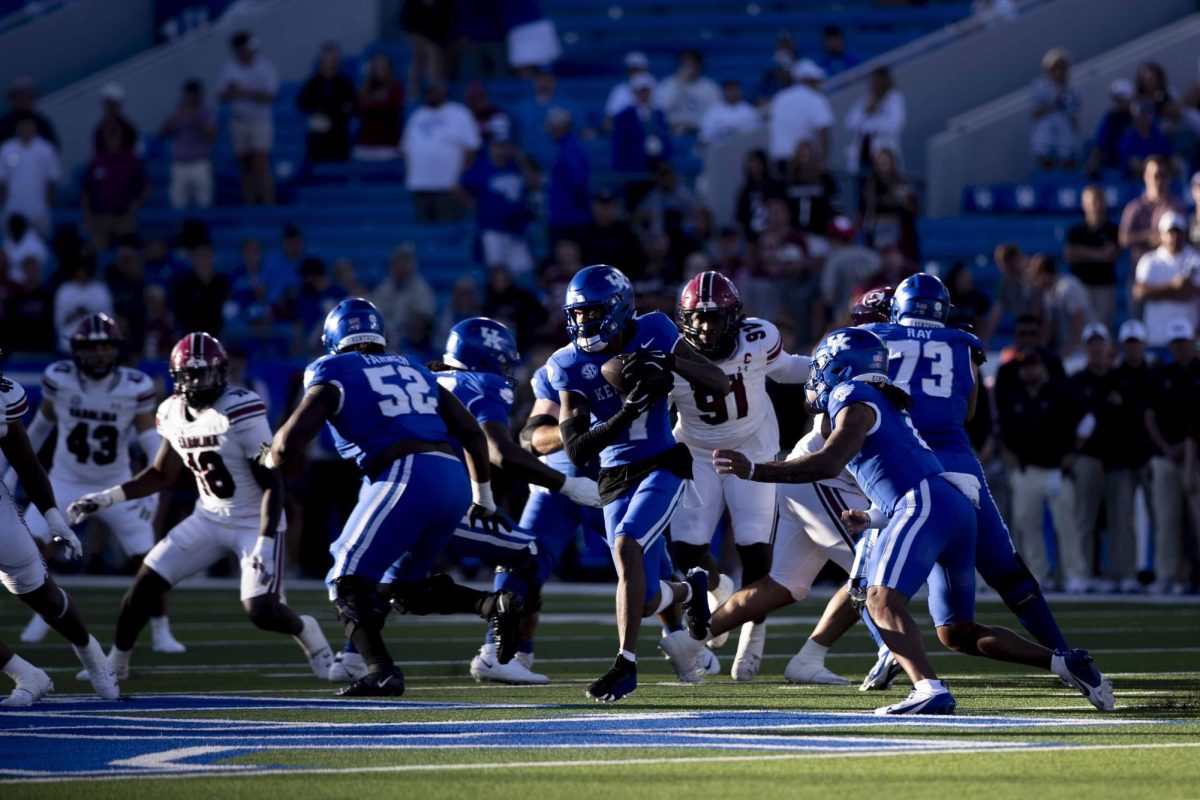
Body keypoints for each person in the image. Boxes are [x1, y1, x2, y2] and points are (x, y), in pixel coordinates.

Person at [714, 326, 1114, 714]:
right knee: (956, 633)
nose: (817, 376)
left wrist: (755, 471)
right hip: (949, 507)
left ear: (841, 367)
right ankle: (1064, 663)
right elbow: (899, 468)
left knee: (878, 599)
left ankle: (928, 689)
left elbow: (830, 460)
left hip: (922, 505)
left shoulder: (852, 393)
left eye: (823, 366)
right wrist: (872, 516)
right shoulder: (885, 399)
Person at [265, 298, 522, 695]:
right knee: (402, 587)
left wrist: (267, 457)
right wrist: (483, 496)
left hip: (403, 473)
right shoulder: (414, 367)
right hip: (452, 477)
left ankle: (380, 670)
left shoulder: (332, 368)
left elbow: (288, 444)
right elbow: (471, 433)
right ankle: (492, 605)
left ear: (334, 337)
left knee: (345, 576)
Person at [67, 332, 333, 683]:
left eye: (205, 372)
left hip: (254, 520)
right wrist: (107, 497)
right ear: (178, 377)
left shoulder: (240, 409)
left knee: (262, 611)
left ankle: (307, 630)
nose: (198, 381)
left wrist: (265, 543)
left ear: (221, 372)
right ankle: (116, 665)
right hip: (208, 516)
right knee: (143, 586)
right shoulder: (171, 412)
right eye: (191, 374)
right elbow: (161, 474)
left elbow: (272, 483)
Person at [866, 275, 1086, 654]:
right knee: (1004, 566)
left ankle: (893, 656)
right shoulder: (962, 344)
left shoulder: (875, 335)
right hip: (956, 458)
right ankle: (1064, 653)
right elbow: (968, 411)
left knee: (875, 570)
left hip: (900, 458)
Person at [550, 265, 729, 701]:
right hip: (613, 475)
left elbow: (719, 381)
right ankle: (693, 589)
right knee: (645, 599)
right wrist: (627, 411)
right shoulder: (567, 364)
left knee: (627, 542)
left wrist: (667, 361)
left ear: (618, 308)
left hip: (661, 462)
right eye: (577, 314)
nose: (584, 323)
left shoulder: (653, 329)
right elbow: (577, 450)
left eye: (592, 312)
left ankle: (625, 665)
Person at [423, 320, 602, 684]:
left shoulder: (427, 377)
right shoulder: (481, 383)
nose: (507, 369)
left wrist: (483, 494)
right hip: (439, 495)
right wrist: (566, 484)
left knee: (388, 582)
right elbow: (501, 452)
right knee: (523, 553)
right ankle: (499, 651)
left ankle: (354, 657)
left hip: (386, 488)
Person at [1, 315, 182, 652]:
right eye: (91, 347)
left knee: (148, 564)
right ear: (77, 351)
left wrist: (158, 477)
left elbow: (147, 438)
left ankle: (161, 629)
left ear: (117, 349)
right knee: (32, 550)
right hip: (64, 481)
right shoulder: (61, 380)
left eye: (105, 346)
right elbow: (36, 433)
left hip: (115, 485)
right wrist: (9, 478)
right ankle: (44, 617)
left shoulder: (134, 386)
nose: (99, 353)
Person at [668, 272, 814, 680]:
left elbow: (785, 369)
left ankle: (753, 635)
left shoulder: (758, 337)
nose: (705, 326)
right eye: (697, 317)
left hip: (752, 445)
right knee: (687, 551)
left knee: (754, 549)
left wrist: (831, 368)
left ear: (735, 317)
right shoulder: (670, 352)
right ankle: (719, 589)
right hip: (696, 451)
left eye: (715, 317)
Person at [0, 360, 119, 705]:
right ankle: (27, 674)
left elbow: (25, 461)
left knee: (43, 597)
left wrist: (52, 515)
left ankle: (91, 653)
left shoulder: (4, 397)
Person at [996, 346, 1092, 588]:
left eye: (1034, 366)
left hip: (1057, 471)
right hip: (1026, 471)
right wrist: (1007, 454)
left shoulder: (1060, 394)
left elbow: (1088, 421)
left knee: (1068, 525)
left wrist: (1074, 452)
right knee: (1028, 525)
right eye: (1026, 367)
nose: (1030, 371)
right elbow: (1001, 430)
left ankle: (1075, 575)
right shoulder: (1013, 397)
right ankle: (1038, 575)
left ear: (1042, 368)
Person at [1144, 318, 1200, 594]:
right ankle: (1169, 576)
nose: (1180, 347)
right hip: (1166, 456)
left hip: (1196, 457)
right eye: (1176, 343)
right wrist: (1165, 446)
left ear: (1192, 341)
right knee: (1167, 520)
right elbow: (1150, 414)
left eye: (1184, 342)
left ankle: (1191, 576)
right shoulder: (1162, 373)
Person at [458, 117, 535, 275]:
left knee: (523, 271)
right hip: (492, 228)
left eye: (505, 146)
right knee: (496, 271)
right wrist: (475, 206)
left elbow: (534, 184)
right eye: (498, 146)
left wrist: (520, 158)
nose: (502, 150)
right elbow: (458, 186)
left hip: (516, 230)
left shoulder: (516, 166)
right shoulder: (482, 168)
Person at [1110, 320, 1154, 593]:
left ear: (1143, 344)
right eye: (1129, 344)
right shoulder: (1115, 375)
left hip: (1149, 454)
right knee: (1122, 518)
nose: (1133, 348)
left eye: (1136, 343)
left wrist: (1126, 405)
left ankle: (1161, 572)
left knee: (1159, 517)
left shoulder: (1155, 373)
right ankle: (1126, 573)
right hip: (1123, 455)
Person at [401, 83, 481, 223]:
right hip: (420, 184)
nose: (431, 95)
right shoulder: (418, 115)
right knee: (424, 231)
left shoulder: (459, 113)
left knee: (448, 227)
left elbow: (471, 148)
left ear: (444, 93)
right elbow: (406, 148)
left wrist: (462, 177)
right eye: (429, 92)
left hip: (449, 185)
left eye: (435, 92)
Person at [217, 32, 279, 205]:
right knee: (245, 164)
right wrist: (234, 92)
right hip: (239, 120)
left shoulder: (265, 68)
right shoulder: (229, 69)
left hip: (260, 120)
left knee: (261, 162)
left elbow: (271, 96)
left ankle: (268, 202)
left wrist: (245, 92)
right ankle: (250, 202)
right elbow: (221, 95)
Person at [1132, 211, 1200, 348]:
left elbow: (1189, 293)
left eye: (1178, 232)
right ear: (1161, 235)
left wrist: (1157, 293)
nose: (1174, 237)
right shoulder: (1149, 260)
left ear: (1184, 233)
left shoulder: (1195, 259)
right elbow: (1140, 293)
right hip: (1156, 337)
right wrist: (1173, 286)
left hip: (1187, 339)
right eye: (1170, 233)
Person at [82, 124, 150, 251]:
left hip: (123, 216)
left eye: (116, 136)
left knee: (128, 250)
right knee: (98, 250)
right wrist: (88, 214)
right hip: (100, 217)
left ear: (121, 138)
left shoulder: (131, 160)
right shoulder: (97, 161)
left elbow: (146, 184)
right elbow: (86, 190)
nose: (113, 140)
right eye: (110, 136)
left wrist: (138, 202)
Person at [1064, 185, 1120, 327]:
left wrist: (1082, 252)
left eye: (1099, 201)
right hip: (1080, 285)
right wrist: (1098, 254)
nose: (1097, 206)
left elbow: (1111, 255)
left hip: (1103, 287)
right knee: (1079, 326)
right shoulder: (1076, 231)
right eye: (1092, 201)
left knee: (1101, 327)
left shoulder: (1112, 229)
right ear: (1084, 204)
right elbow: (1069, 254)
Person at [0, 114, 60, 237]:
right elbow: (2, 180)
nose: (25, 128)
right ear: (17, 128)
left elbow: (52, 180)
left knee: (41, 246)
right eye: (22, 125)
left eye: (28, 125)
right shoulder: (6, 149)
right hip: (13, 209)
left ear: (34, 127)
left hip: (39, 211)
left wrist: (49, 204)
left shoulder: (46, 149)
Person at [1119, 155, 1184, 271]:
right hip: (1140, 274)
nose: (1157, 180)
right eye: (1154, 175)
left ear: (1169, 178)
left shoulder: (1176, 207)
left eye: (1162, 176)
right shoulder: (1134, 207)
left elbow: (1185, 237)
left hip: (1171, 273)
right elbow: (1123, 238)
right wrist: (1147, 236)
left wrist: (1166, 238)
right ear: (1145, 177)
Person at [161, 79, 217, 210]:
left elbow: (211, 136)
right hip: (179, 165)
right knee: (178, 205)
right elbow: (163, 133)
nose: (192, 98)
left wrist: (196, 119)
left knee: (204, 204)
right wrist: (175, 116)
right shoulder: (177, 113)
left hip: (200, 164)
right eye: (189, 94)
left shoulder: (207, 114)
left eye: (195, 94)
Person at [297, 42, 357, 164]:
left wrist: (337, 113)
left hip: (338, 137)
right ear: (320, 60)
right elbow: (302, 103)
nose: (329, 63)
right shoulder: (312, 82)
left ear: (337, 60)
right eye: (326, 59)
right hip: (317, 139)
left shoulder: (345, 83)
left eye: (333, 59)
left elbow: (354, 107)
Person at [369, 244, 436, 351]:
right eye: (398, 263)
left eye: (405, 263)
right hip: (386, 336)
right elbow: (374, 311)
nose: (401, 267)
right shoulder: (384, 287)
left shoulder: (421, 288)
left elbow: (423, 319)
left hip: (410, 339)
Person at [767, 60, 833, 167]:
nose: (818, 85)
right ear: (808, 81)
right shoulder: (816, 99)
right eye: (816, 81)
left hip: (779, 160)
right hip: (803, 162)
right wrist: (823, 160)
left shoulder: (779, 98)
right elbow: (823, 129)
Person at [860, 148, 919, 263]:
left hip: (900, 237)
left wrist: (903, 200)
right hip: (877, 236)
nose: (883, 168)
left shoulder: (903, 185)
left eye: (886, 163)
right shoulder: (870, 188)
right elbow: (865, 214)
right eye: (880, 164)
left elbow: (912, 210)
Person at [844, 67, 905, 177]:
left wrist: (872, 122)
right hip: (863, 156)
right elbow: (850, 123)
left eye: (877, 80)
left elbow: (894, 126)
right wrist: (866, 112)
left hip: (885, 157)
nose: (873, 83)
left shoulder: (894, 99)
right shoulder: (865, 100)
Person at [1030, 253, 1093, 358]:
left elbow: (1078, 323)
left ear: (1044, 274)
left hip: (1081, 351)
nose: (1035, 283)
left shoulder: (1068, 287)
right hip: (1069, 349)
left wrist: (1069, 350)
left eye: (1036, 277)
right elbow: (1049, 326)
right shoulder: (1048, 293)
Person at [545, 107, 591, 246]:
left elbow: (578, 182)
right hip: (565, 216)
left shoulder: (570, 149)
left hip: (569, 218)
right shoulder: (566, 147)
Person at [611, 74, 672, 174]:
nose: (643, 95)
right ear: (634, 93)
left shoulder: (659, 114)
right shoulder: (624, 117)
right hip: (635, 164)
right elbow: (619, 143)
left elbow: (665, 138)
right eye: (640, 92)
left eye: (646, 91)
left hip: (659, 162)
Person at [1029, 49, 1080, 170]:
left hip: (1064, 127)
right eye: (1055, 68)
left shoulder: (1073, 90)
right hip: (1046, 126)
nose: (1058, 73)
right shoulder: (1040, 87)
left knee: (1066, 154)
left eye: (1062, 69)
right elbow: (1035, 113)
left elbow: (1074, 116)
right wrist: (1053, 102)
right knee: (1043, 151)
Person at [354, 53, 404, 161]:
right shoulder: (366, 88)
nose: (380, 69)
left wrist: (371, 101)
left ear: (389, 68)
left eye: (383, 66)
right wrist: (376, 99)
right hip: (365, 146)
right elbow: (359, 106)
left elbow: (389, 105)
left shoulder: (395, 87)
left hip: (387, 146)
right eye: (376, 66)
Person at [657, 50, 721, 135]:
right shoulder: (668, 84)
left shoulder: (710, 87)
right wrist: (680, 84)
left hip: (700, 132)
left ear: (699, 66)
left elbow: (716, 114)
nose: (689, 69)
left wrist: (694, 127)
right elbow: (662, 107)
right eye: (685, 65)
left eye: (692, 65)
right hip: (673, 132)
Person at [784, 140, 838, 239]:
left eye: (808, 156)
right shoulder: (789, 181)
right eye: (802, 156)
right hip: (794, 234)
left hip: (820, 233)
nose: (805, 160)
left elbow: (835, 207)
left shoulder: (825, 179)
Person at [1086, 79, 1134, 177]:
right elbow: (1099, 143)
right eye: (1117, 99)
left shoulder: (1139, 118)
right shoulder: (1111, 118)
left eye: (1122, 99)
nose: (1118, 102)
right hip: (1112, 162)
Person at [1117, 100, 1174, 179]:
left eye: (1147, 115)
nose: (1145, 119)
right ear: (1134, 118)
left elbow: (1172, 157)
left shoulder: (1158, 135)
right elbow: (1134, 165)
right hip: (1133, 181)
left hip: (1160, 177)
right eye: (1141, 116)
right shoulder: (1127, 138)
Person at [698, 81, 760, 151]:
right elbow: (705, 135)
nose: (732, 93)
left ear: (740, 91)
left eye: (734, 90)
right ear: (724, 92)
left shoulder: (749, 111)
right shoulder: (713, 111)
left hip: (742, 148)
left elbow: (754, 134)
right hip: (718, 149)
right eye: (729, 90)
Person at [0, 78, 58, 148]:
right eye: (20, 97)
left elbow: (53, 148)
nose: (23, 100)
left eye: (27, 97)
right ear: (13, 100)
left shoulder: (42, 123)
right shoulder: (3, 125)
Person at [605, 51, 656, 123]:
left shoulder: (654, 87)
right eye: (633, 70)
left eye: (638, 69)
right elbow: (609, 119)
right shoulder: (619, 91)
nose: (636, 73)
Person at [92, 82, 138, 156]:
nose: (110, 107)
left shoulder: (128, 127)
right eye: (108, 104)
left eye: (113, 104)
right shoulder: (99, 130)